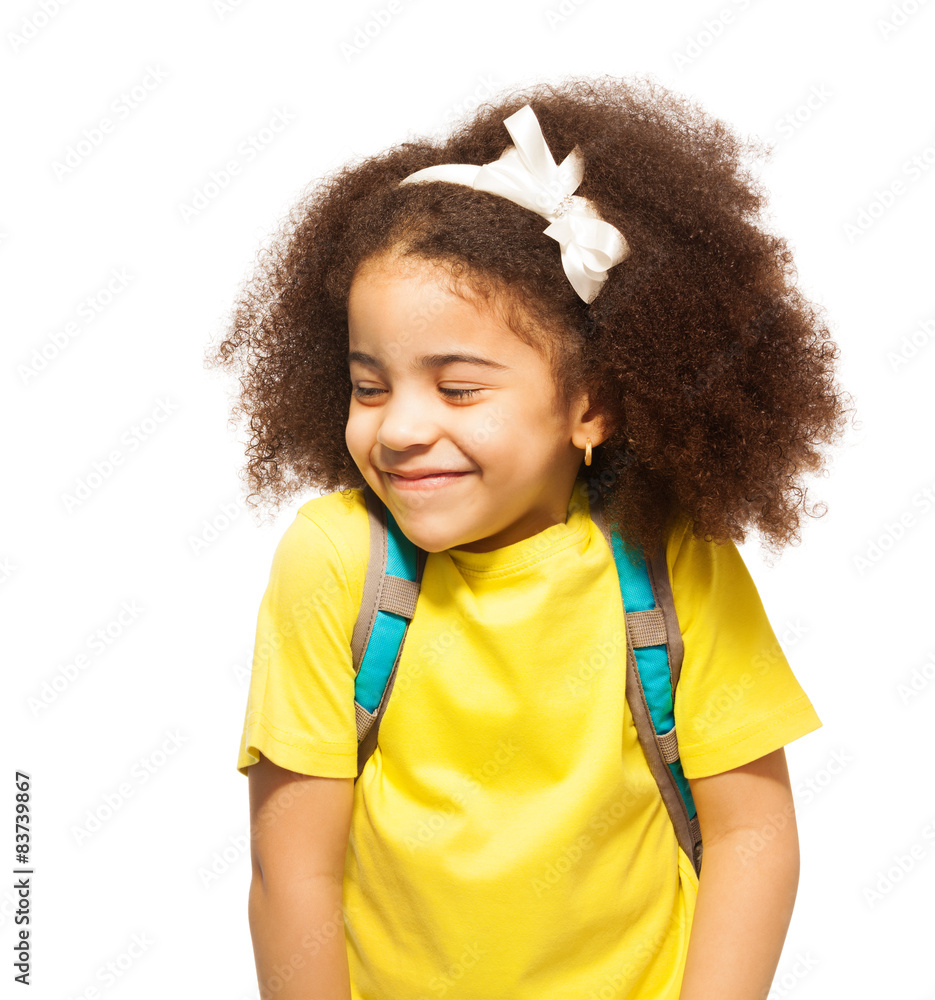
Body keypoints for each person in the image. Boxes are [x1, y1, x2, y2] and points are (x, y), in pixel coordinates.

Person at [206, 74, 849, 1000]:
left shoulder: (670, 561)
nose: (398, 429)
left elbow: (752, 834)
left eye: (458, 387)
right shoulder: (338, 561)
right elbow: (290, 870)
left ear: (591, 405)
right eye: (370, 385)